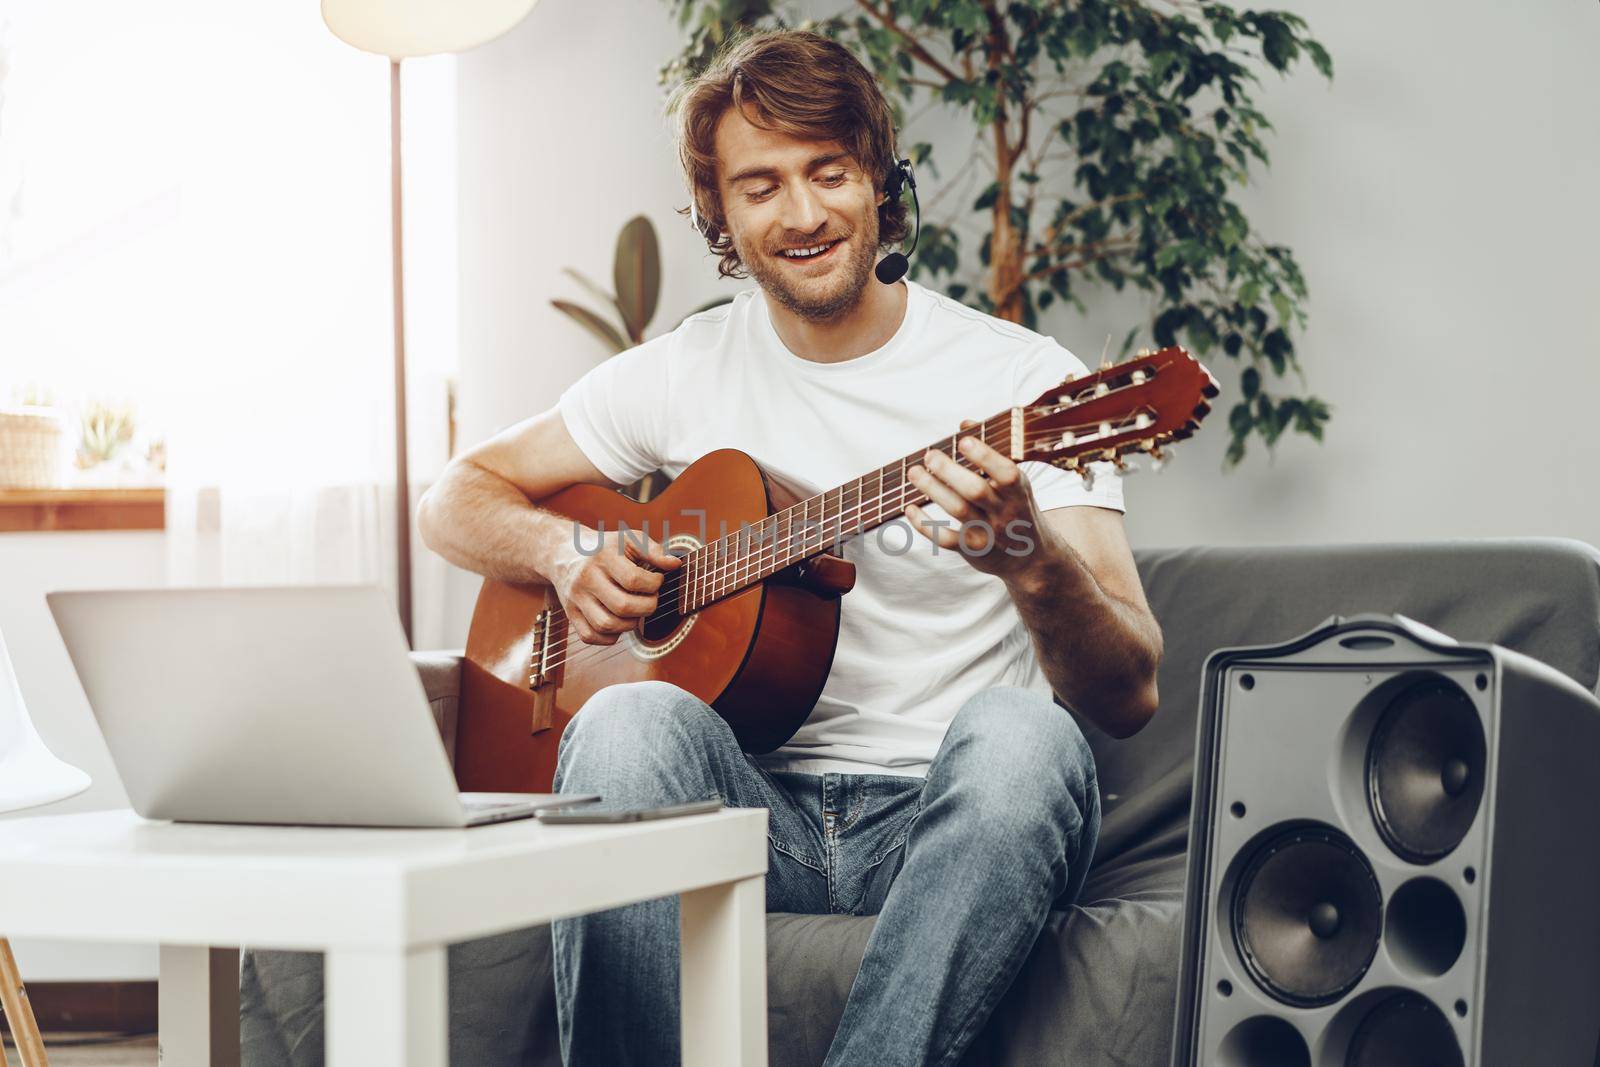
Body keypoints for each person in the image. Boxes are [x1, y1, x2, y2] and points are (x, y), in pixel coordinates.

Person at [416, 28, 1163, 1067]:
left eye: (829, 172)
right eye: (760, 184)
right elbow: (454, 497)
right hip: (747, 809)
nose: (803, 213)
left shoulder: (1027, 383)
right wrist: (563, 553)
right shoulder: (684, 369)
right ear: (716, 212)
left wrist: (1030, 563)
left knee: (1024, 738)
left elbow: (1127, 691)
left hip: (947, 818)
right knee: (627, 718)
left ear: (877, 184)